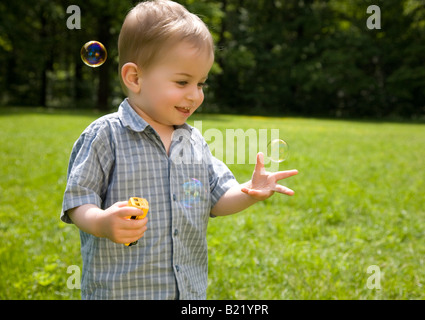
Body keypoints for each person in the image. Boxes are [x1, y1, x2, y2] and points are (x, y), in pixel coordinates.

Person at [61, 0, 298, 300]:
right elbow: (78, 201)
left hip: (185, 292)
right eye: (183, 81)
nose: (195, 95)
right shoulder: (105, 136)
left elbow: (217, 198)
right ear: (135, 78)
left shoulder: (194, 140)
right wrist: (102, 222)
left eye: (201, 83)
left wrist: (249, 190)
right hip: (121, 291)